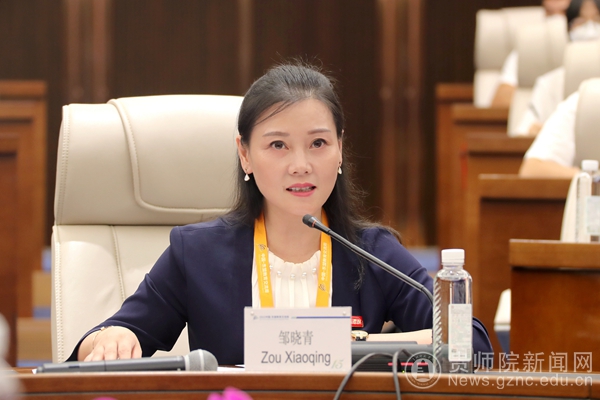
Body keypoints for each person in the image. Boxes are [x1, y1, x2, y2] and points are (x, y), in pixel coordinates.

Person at [68, 62, 493, 365]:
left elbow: (472, 345)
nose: (300, 165)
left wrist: (364, 346)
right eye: (278, 145)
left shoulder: (373, 253)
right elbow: (101, 342)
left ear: (340, 150)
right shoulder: (196, 254)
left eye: (318, 143)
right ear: (244, 154)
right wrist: (112, 338)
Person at [514, 0, 600, 136]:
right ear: (568, 29)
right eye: (581, 22)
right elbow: (524, 132)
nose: (590, 29)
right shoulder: (549, 83)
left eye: (597, 20)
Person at [491, 0, 572, 108]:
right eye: (549, 12)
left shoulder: (587, 48)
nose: (556, 19)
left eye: (564, 11)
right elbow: (499, 104)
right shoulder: (526, 50)